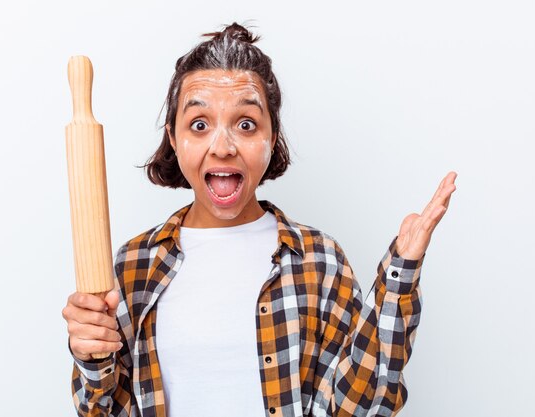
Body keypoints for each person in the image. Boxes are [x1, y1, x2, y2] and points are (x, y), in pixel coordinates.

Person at [61, 22, 457, 417]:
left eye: (246, 124)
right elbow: (102, 410)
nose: (223, 147)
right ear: (173, 137)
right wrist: (90, 356)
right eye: (199, 125)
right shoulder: (134, 266)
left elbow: (360, 408)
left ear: (272, 135)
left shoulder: (319, 261)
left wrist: (400, 271)